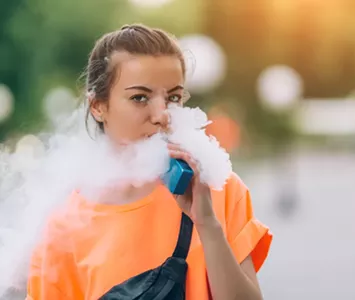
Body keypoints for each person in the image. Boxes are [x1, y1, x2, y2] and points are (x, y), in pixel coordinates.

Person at [26, 24, 272, 300]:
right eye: (140, 98)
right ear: (98, 106)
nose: (162, 115)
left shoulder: (219, 190)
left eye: (173, 98)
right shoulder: (63, 227)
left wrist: (207, 224)